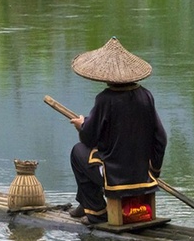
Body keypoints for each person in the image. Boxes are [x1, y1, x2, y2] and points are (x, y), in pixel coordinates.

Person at [67, 37, 167, 224]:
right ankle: (85, 203)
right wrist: (154, 170)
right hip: (142, 178)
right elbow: (161, 138)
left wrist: (82, 125)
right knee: (88, 156)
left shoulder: (105, 100)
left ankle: (96, 210)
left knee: (77, 152)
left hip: (115, 178)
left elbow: (88, 139)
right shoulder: (146, 96)